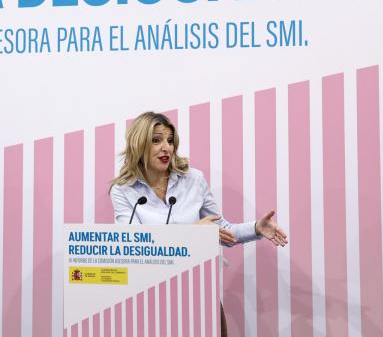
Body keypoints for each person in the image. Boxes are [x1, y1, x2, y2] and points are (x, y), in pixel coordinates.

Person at [109, 112, 288, 336]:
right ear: (139, 143)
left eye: (170, 141)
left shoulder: (193, 180)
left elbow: (222, 230)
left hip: (198, 290)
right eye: (156, 140)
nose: (166, 148)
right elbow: (133, 246)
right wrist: (194, 235)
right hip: (150, 296)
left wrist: (256, 228)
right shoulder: (123, 190)